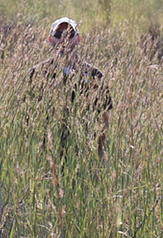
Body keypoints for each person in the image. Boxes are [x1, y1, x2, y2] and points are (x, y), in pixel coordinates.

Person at [24, 17, 112, 160]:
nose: (64, 39)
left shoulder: (94, 75)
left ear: (78, 39)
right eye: (58, 35)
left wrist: (100, 159)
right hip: (45, 156)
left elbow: (103, 123)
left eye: (70, 34)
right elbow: (26, 119)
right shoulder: (36, 74)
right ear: (50, 40)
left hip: (83, 156)